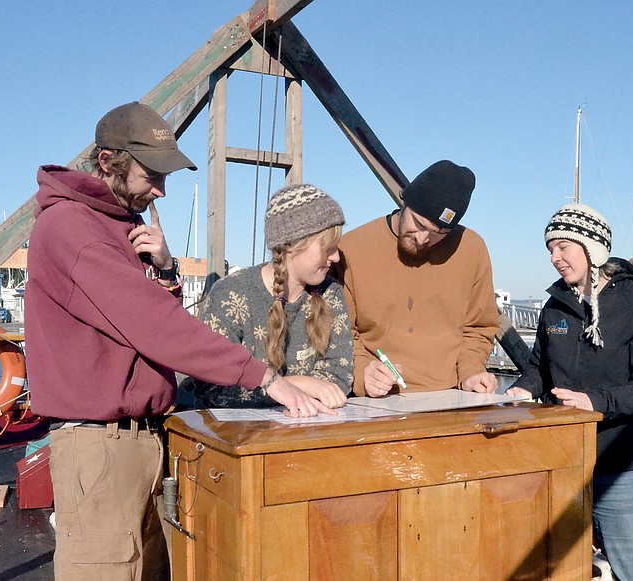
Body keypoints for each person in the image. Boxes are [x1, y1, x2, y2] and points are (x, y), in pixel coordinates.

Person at [24, 102, 332, 581]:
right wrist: (266, 377)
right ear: (108, 162)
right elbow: (156, 327)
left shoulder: (119, 225)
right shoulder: (71, 228)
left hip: (142, 440)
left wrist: (166, 272)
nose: (160, 191)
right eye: (152, 175)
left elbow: (141, 322)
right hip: (99, 448)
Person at [506, 203, 633, 581]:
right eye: (550, 249)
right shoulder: (554, 307)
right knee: (559, 569)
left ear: (592, 249)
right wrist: (520, 391)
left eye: (563, 246)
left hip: (619, 467)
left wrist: (596, 403)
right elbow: (539, 369)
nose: (554, 257)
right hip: (559, 463)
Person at [333, 159, 499, 397]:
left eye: (439, 233)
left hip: (451, 398)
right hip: (374, 400)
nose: (422, 239)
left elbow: (478, 328)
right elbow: (340, 333)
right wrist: (361, 373)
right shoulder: (351, 249)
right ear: (405, 201)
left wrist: (471, 372)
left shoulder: (472, 249)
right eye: (419, 223)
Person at [180, 184, 353, 409]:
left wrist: (297, 392)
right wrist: (291, 386)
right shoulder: (230, 295)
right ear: (291, 245)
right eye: (328, 247)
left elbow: (339, 374)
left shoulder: (330, 293)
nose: (336, 257)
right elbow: (213, 387)